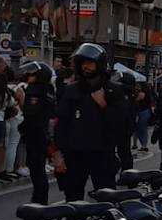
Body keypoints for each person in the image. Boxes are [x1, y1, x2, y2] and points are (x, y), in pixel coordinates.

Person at [52, 43, 125, 199]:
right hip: (75, 155)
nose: (86, 66)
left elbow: (121, 125)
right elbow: (61, 124)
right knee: (73, 202)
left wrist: (104, 105)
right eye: (83, 63)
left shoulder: (113, 90)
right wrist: (57, 153)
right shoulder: (71, 90)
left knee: (107, 202)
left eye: (90, 62)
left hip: (103, 154)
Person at [19, 62, 56, 204]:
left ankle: (39, 200)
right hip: (41, 133)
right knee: (38, 167)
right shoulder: (48, 89)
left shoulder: (35, 90)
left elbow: (31, 114)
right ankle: (40, 198)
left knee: (36, 169)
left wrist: (23, 127)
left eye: (32, 74)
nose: (29, 76)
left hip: (35, 133)